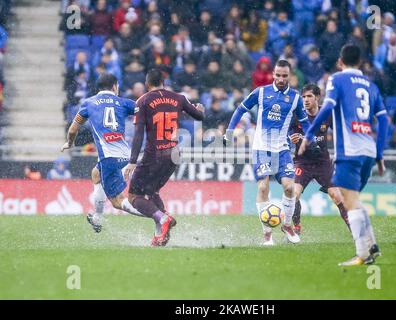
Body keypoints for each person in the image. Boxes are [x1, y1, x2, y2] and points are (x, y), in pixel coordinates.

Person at [299, 45, 389, 266]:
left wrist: (309, 134)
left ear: (340, 61)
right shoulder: (371, 85)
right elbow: (385, 120)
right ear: (360, 62)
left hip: (349, 151)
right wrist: (379, 153)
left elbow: (327, 107)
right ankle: (372, 246)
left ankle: (362, 254)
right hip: (368, 150)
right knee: (353, 200)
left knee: (350, 201)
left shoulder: (337, 80)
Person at [223, 59, 319, 246]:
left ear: (290, 76)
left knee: (290, 188)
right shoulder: (260, 93)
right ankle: (267, 234)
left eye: (285, 76)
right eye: (278, 75)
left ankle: (287, 224)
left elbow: (305, 122)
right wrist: (228, 132)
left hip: (282, 148)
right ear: (273, 74)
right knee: (262, 188)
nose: (281, 79)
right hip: (261, 148)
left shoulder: (296, 98)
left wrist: (312, 140)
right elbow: (240, 109)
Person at [124, 69, 205, 247]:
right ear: (164, 82)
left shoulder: (143, 100)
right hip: (174, 154)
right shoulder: (179, 98)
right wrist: (201, 109)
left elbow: (138, 134)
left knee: (133, 196)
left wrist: (132, 161)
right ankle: (161, 234)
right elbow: (199, 116)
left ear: (147, 84)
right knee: (152, 192)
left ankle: (163, 219)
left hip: (154, 154)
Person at [61, 73, 145, 233]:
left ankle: (157, 216)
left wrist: (69, 143)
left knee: (117, 201)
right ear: (115, 86)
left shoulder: (88, 103)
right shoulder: (123, 102)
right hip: (124, 155)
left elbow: (72, 129)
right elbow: (144, 111)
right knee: (95, 174)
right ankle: (98, 217)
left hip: (109, 158)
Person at [289, 84, 350, 235]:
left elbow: (341, 131)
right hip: (302, 162)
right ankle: (296, 226)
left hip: (323, 162)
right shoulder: (296, 114)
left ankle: (354, 230)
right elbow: (286, 132)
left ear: (317, 97)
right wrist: (291, 138)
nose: (305, 100)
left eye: (309, 96)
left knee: (337, 196)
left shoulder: (327, 113)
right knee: (293, 194)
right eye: (303, 97)